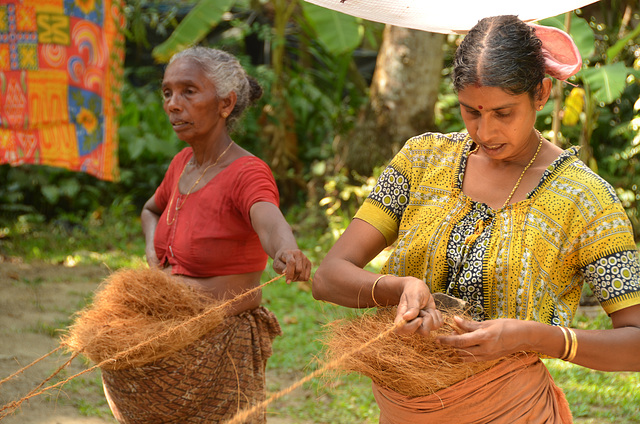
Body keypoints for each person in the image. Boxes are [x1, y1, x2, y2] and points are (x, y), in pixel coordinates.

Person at [313, 15, 640, 423]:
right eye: (471, 112)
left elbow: (635, 342)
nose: (485, 131)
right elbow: (327, 276)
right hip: (405, 410)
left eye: (504, 113)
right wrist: (400, 288)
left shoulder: (585, 199)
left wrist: (536, 337)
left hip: (510, 410)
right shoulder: (421, 161)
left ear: (541, 93)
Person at [101, 46, 312, 423]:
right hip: (170, 331)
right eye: (167, 92)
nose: (173, 104)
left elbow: (269, 218)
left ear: (226, 103)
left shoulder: (247, 172)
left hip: (218, 347)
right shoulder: (183, 163)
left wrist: (286, 249)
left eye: (188, 91)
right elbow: (151, 210)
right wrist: (155, 264)